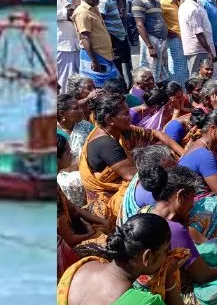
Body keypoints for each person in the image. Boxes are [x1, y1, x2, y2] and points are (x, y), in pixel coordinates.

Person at [142, 165, 217, 305]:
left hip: (161, 284)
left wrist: (184, 224)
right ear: (180, 196)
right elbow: (202, 276)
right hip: (177, 295)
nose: (194, 204)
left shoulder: (144, 212)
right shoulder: (173, 229)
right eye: (193, 197)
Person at [79, 94, 186, 222]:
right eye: (125, 114)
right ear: (109, 119)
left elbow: (156, 134)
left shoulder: (119, 130)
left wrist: (184, 154)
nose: (130, 117)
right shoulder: (106, 144)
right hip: (109, 200)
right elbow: (135, 177)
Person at [57, 212, 178, 305]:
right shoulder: (147, 304)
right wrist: (170, 281)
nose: (168, 255)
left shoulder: (82, 266)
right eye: (166, 251)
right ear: (147, 257)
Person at [76, 0, 119, 83]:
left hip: (104, 55)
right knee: (97, 87)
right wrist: (94, 61)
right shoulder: (82, 12)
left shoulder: (94, 8)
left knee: (110, 85)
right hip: (94, 57)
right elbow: (85, 38)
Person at [132, 0, 169, 84]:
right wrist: (150, 46)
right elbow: (140, 25)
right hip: (151, 40)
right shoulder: (138, 2)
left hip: (161, 41)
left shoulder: (156, 1)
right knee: (151, 70)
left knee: (161, 69)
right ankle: (151, 91)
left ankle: (159, 91)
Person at [179, 0, 217, 78]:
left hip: (198, 49)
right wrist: (209, 52)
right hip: (199, 49)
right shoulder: (192, 9)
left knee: (202, 78)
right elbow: (198, 33)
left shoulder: (189, 5)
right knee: (197, 78)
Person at [100, 0, 134, 84]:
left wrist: (129, 37)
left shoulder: (123, 0)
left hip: (123, 38)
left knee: (128, 68)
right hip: (113, 40)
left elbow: (124, 20)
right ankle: (120, 91)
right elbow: (100, 22)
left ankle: (130, 88)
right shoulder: (105, 0)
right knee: (117, 69)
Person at [58, 0, 80, 88]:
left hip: (76, 44)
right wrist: (68, 13)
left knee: (79, 79)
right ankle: (64, 101)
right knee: (65, 80)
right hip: (63, 45)